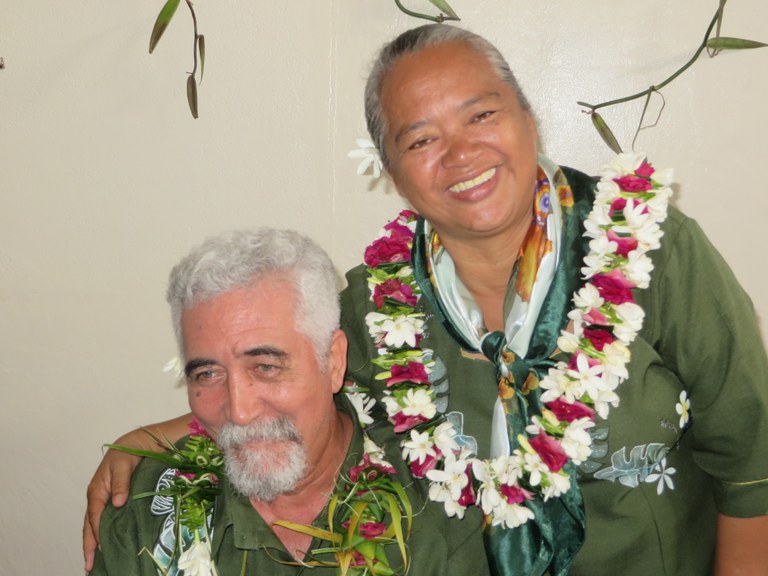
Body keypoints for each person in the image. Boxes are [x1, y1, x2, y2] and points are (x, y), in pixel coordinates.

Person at [85, 24, 768, 576]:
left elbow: (750, 464)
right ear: (391, 171)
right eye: (421, 139)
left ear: (528, 118)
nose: (461, 153)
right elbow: (281, 379)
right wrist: (156, 438)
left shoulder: (648, 249)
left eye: (481, 115)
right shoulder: (375, 304)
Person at [89, 227, 490, 576]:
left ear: (333, 362)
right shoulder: (144, 510)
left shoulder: (436, 511)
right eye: (207, 374)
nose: (240, 412)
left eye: (265, 366)